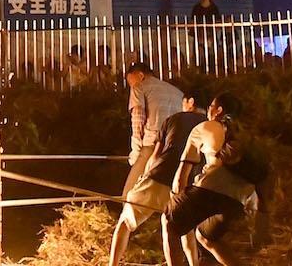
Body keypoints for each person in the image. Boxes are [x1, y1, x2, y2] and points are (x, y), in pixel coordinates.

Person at [109, 89, 205, 266]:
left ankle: (112, 264)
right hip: (185, 183)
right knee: (184, 229)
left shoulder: (174, 119)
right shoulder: (209, 126)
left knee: (125, 223)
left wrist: (144, 177)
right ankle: (194, 264)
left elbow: (155, 156)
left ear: (190, 102)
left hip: (160, 174)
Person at [164, 94, 260, 266]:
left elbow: (181, 179)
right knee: (206, 237)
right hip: (241, 197)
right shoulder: (244, 135)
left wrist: (174, 200)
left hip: (211, 186)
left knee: (169, 221)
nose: (208, 110)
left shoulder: (204, 127)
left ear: (218, 110)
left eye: (210, 106)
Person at [123, 62, 184, 193]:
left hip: (153, 143)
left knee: (131, 192)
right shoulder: (177, 92)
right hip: (177, 145)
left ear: (140, 75)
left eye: (130, 81)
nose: (130, 86)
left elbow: (138, 118)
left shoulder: (139, 87)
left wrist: (136, 150)